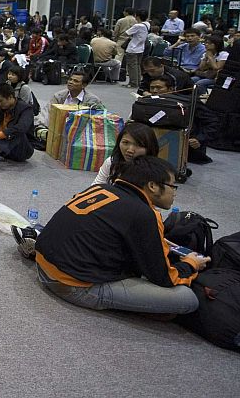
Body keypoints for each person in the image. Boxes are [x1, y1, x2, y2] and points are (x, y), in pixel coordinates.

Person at [32, 156, 207, 315]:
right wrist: (191, 264)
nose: (174, 192)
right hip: (72, 285)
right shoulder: (144, 214)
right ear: (153, 186)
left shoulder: (102, 189)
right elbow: (164, 277)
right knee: (187, 299)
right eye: (172, 186)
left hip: (43, 265)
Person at [147, 75, 219, 164]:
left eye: (159, 87)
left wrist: (199, 139)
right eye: (152, 88)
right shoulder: (147, 102)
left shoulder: (190, 103)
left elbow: (213, 122)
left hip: (188, 150)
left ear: (171, 89)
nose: (154, 91)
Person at [92, 122, 159, 186]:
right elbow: (96, 187)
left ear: (149, 148)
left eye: (138, 145)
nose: (130, 150)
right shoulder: (111, 162)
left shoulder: (156, 172)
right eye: (125, 143)